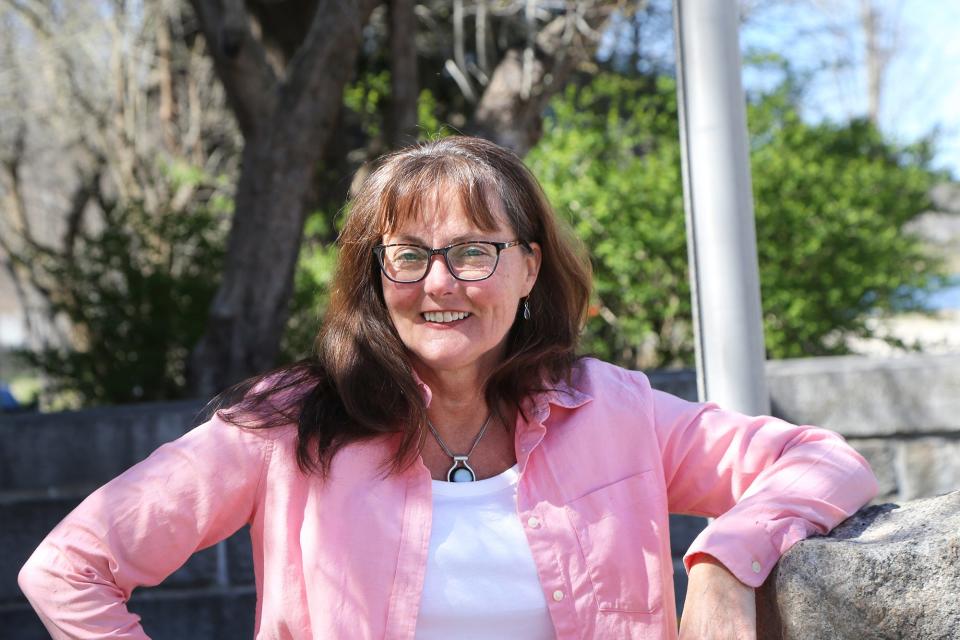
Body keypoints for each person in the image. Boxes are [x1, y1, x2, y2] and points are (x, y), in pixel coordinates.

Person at [19, 136, 877, 639]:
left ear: (529, 268)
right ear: (374, 272)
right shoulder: (289, 424)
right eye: (409, 255)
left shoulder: (613, 410)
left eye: (474, 251)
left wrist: (726, 560)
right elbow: (69, 568)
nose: (441, 284)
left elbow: (821, 460)